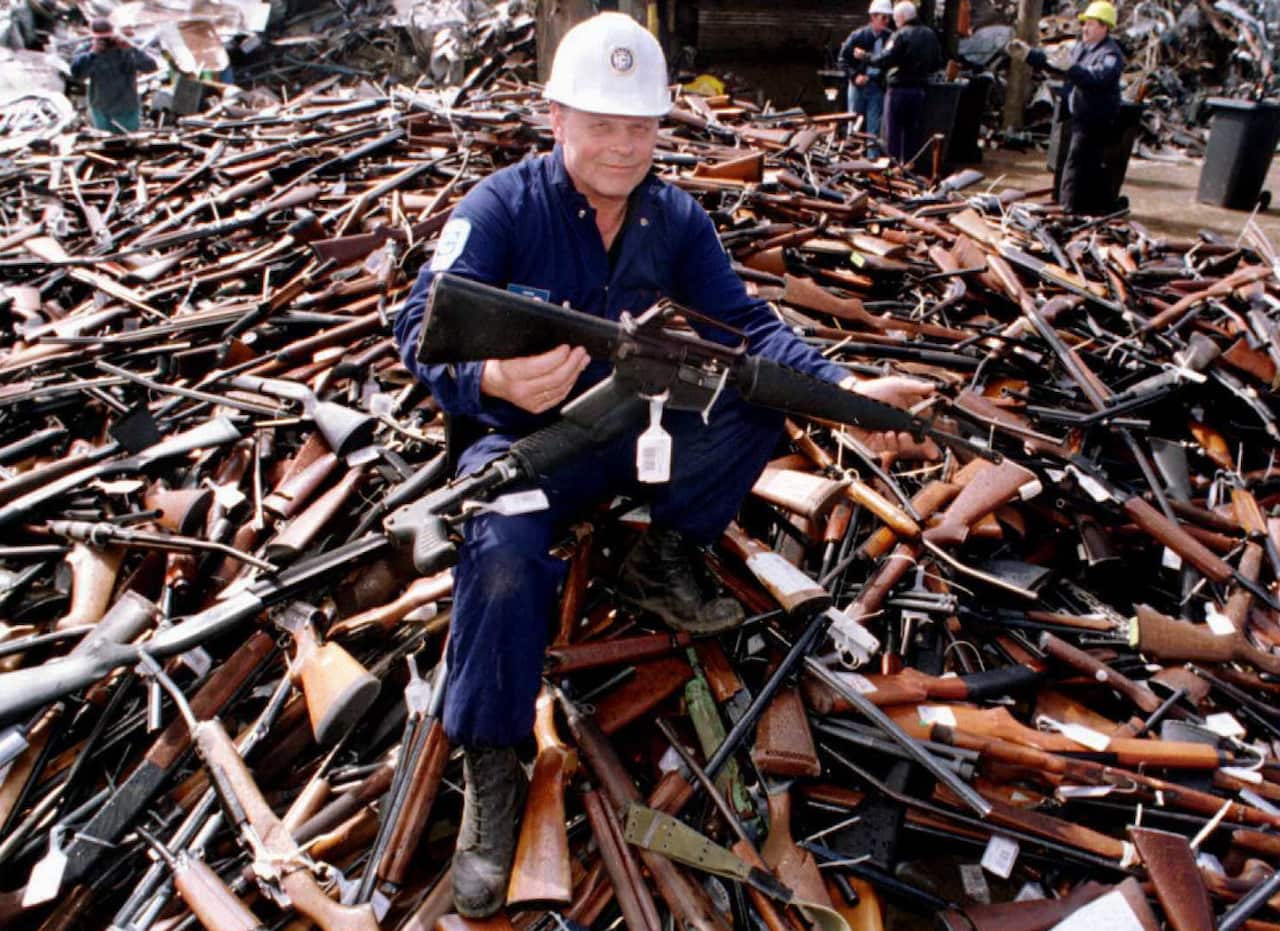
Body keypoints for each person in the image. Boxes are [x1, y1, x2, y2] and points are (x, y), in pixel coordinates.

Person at [395, 12, 934, 918]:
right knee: (503, 555)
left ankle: (667, 552)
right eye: (601, 124)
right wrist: (490, 374)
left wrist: (850, 389)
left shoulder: (672, 215)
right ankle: (493, 766)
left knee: (760, 396)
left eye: (639, 127)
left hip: (627, 429)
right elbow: (417, 329)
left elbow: (750, 329)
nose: (621, 146)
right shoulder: (497, 209)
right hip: (522, 446)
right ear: (555, 117)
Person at [1013, 1, 1124, 214]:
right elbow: (1056, 61)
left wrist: (1071, 68)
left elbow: (1097, 78)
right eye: (1084, 24)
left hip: (1095, 119)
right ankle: (1100, 205)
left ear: (1104, 27)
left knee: (1076, 163)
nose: (1085, 28)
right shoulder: (1083, 47)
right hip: (1077, 114)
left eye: (1091, 24)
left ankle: (1067, 209)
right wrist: (1029, 55)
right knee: (1083, 163)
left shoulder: (1111, 55)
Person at [852, 0, 942, 167]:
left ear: (901, 17)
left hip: (898, 90)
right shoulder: (930, 35)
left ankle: (892, 169)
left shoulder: (900, 35)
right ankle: (909, 167)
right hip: (919, 90)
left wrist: (865, 56)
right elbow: (937, 63)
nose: (894, 22)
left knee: (892, 132)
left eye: (895, 18)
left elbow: (884, 60)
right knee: (912, 132)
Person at [69, 19, 157, 133]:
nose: (106, 42)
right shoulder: (87, 50)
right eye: (101, 38)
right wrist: (93, 54)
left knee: (129, 141)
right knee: (107, 143)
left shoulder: (125, 49)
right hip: (101, 107)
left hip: (127, 106)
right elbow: (77, 73)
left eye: (107, 37)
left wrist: (131, 49)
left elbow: (150, 66)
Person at [837, 0, 894, 156]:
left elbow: (891, 62)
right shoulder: (858, 36)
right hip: (858, 87)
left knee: (873, 128)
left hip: (876, 86)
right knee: (853, 124)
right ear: (873, 17)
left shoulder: (890, 38)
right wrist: (855, 76)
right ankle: (850, 159)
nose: (886, 22)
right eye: (884, 18)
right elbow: (842, 60)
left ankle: (871, 162)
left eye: (888, 18)